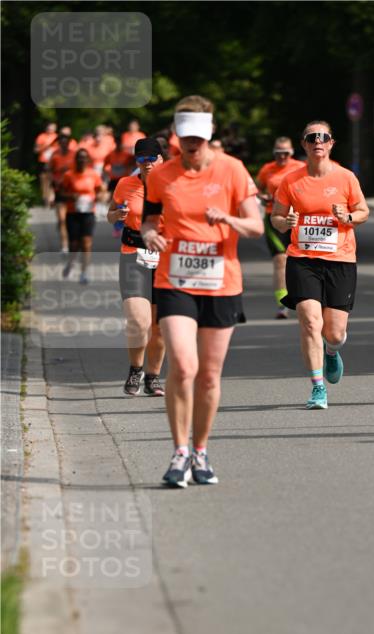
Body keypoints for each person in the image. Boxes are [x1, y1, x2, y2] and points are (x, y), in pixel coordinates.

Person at [141, 96, 263, 487]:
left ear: (209, 134)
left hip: (220, 283)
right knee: (184, 364)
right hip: (175, 281)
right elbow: (148, 219)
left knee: (209, 376)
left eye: (198, 136)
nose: (192, 143)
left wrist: (226, 217)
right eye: (185, 136)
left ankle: (201, 450)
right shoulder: (162, 175)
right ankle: (179, 452)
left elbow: (256, 227)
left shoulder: (232, 170)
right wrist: (149, 235)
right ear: (176, 134)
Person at [271, 121, 369, 409]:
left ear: (331, 143)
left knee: (334, 333)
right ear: (304, 144)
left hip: (340, 260)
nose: (318, 141)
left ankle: (332, 351)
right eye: (312, 137)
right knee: (311, 322)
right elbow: (275, 218)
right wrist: (284, 222)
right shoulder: (291, 180)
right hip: (302, 260)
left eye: (323, 137)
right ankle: (317, 388)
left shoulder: (346, 178)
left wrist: (348, 217)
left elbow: (363, 211)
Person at [107, 137, 167, 397]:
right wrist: (116, 216)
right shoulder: (125, 184)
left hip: (164, 257)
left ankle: (153, 377)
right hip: (133, 254)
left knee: (159, 326)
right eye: (142, 160)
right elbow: (110, 213)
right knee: (138, 321)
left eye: (152, 158)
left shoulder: (173, 186)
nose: (147, 164)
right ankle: (135, 369)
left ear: (161, 159)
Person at [256, 136, 302, 318]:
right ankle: (283, 304)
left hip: (297, 218)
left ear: (291, 152)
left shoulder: (300, 167)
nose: (282, 157)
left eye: (285, 153)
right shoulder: (267, 169)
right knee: (280, 260)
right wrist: (263, 197)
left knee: (300, 260)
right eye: (278, 153)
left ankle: (305, 298)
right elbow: (257, 189)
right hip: (273, 217)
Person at [60, 148, 104, 284]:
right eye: (79, 157)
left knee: (86, 243)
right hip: (73, 213)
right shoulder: (69, 175)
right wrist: (71, 196)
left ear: (88, 160)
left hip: (88, 213)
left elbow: (101, 191)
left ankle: (84, 273)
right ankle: (71, 263)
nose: (82, 160)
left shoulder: (94, 175)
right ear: (76, 159)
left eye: (84, 157)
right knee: (74, 244)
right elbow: (61, 193)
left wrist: (96, 198)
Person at [47, 131, 77, 252]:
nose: (64, 145)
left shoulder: (75, 155)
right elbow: (49, 173)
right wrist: (50, 192)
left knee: (72, 220)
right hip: (59, 190)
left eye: (66, 143)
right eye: (61, 143)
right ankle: (64, 245)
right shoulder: (55, 156)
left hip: (73, 191)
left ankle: (73, 241)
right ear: (59, 144)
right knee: (62, 220)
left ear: (69, 143)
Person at [34, 123, 58, 206]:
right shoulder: (41, 137)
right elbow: (36, 150)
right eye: (49, 128)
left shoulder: (57, 137)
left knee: (52, 179)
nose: (50, 130)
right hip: (43, 161)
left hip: (54, 162)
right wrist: (45, 147)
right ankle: (45, 198)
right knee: (44, 180)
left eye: (52, 128)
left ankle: (52, 198)